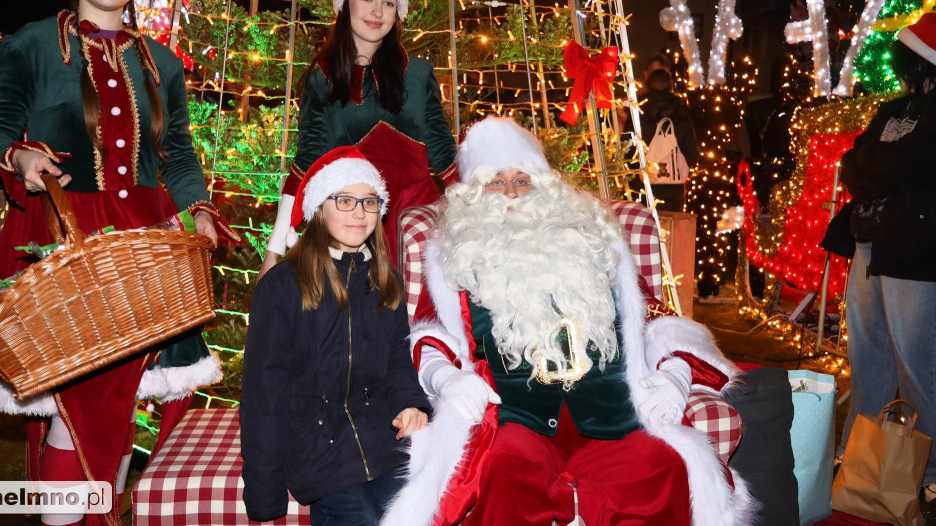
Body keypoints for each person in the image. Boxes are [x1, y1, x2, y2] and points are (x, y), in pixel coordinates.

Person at [0, 0, 237, 526]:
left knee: (122, 407)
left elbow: (176, 160)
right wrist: (21, 156)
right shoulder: (32, 45)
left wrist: (199, 209)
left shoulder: (162, 63)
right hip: (60, 246)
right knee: (74, 408)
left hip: (144, 258)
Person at [380, 117, 754, 526]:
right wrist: (447, 379)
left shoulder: (595, 241)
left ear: (545, 184)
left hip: (612, 416)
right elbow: (429, 334)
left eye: (522, 179)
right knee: (503, 473)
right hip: (517, 420)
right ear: (474, 194)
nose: (512, 193)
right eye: (496, 182)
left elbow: (657, 318)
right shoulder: (456, 257)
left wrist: (675, 376)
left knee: (660, 466)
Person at [241, 146, 431, 524]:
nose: (359, 212)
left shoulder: (384, 278)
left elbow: (396, 357)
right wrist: (265, 493)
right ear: (319, 209)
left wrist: (411, 403)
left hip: (382, 441)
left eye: (369, 201)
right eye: (344, 200)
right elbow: (264, 393)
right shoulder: (282, 286)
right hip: (318, 448)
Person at [261, 0, 457, 275]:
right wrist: (274, 249)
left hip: (416, 228)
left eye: (389, 2)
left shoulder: (418, 74)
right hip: (350, 227)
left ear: (399, 11)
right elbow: (306, 161)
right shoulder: (320, 79)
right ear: (346, 1)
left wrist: (485, 217)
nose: (377, 12)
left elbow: (444, 154)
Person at [826, 12, 936, 501]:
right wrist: (878, 167)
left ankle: (927, 472)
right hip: (869, 243)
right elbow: (854, 162)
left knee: (918, 363)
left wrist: (877, 166)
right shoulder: (894, 109)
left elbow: (915, 162)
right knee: (868, 357)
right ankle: (862, 461)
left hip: (915, 251)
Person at [638, 67, 699, 211]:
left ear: (648, 85)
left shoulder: (638, 113)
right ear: (671, 86)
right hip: (673, 190)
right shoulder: (681, 114)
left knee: (643, 230)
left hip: (643, 188)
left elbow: (627, 150)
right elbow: (692, 155)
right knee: (672, 230)